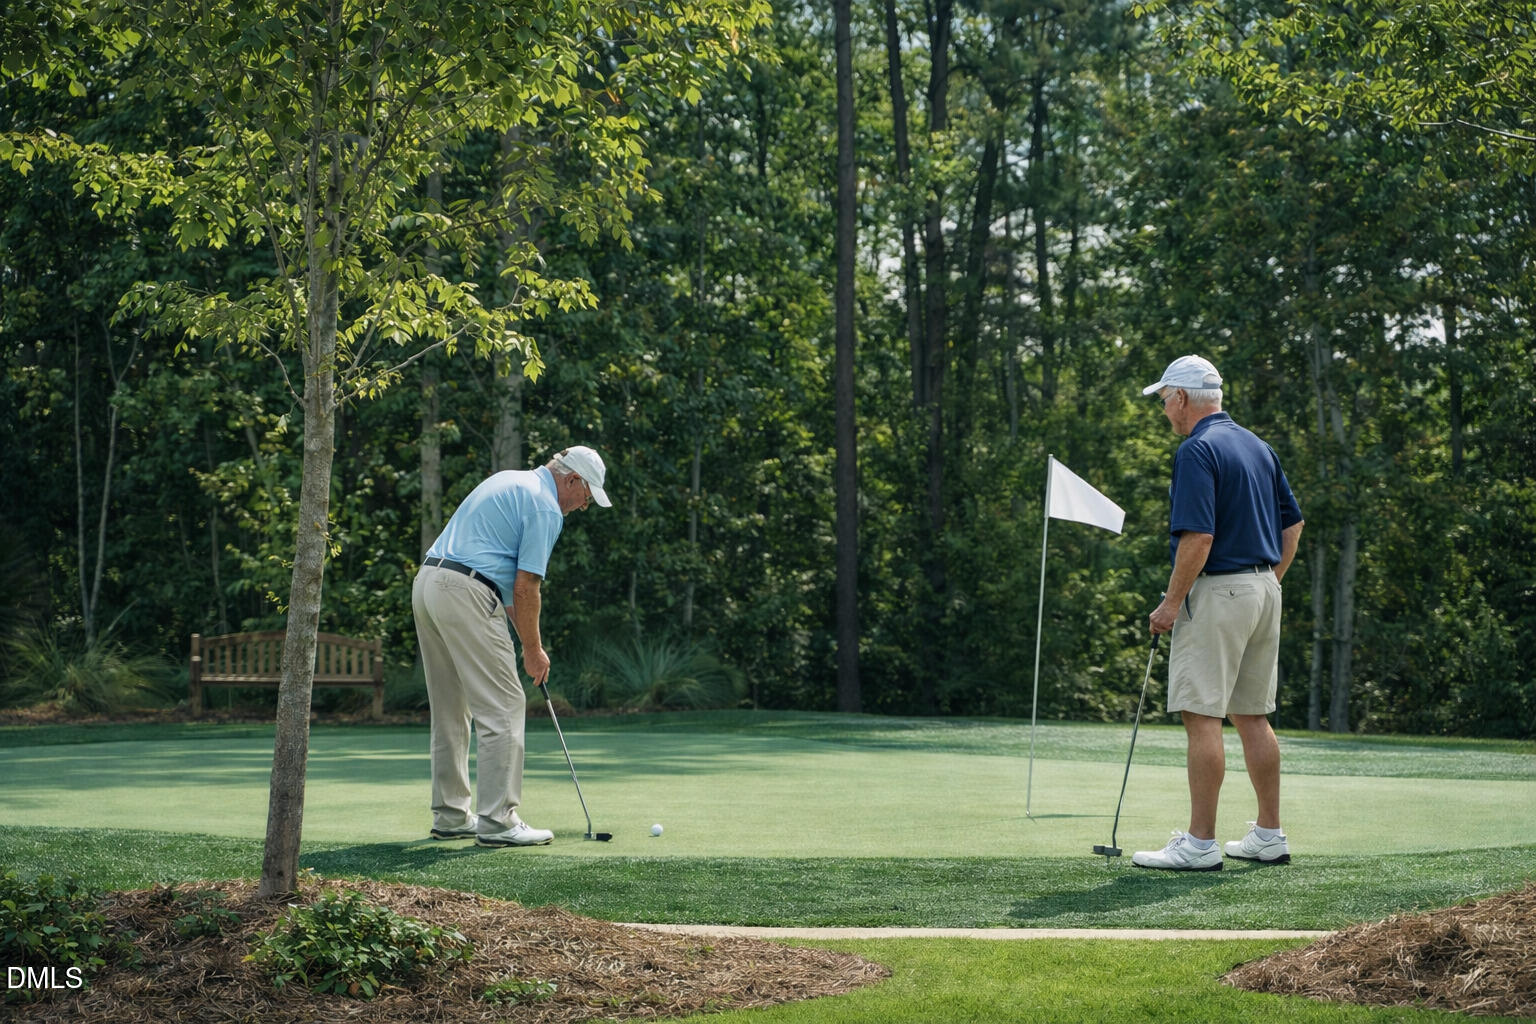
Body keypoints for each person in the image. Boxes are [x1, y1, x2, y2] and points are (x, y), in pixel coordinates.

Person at [1132, 356, 1305, 872]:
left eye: (1164, 401)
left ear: (1183, 398)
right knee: (1252, 713)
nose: (1165, 411)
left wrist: (1168, 604)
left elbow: (1199, 537)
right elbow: (1292, 527)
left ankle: (1200, 844)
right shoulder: (1257, 445)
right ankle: (1269, 835)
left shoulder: (1197, 450)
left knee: (1201, 714)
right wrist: (1266, 584)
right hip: (1262, 588)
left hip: (1218, 592)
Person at [412, 445, 612, 847]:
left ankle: (451, 816)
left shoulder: (510, 479)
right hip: (466, 590)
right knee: (504, 705)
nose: (581, 507)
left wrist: (526, 643)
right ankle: (499, 821)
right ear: (572, 479)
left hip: (430, 583)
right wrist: (534, 650)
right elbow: (527, 586)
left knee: (452, 708)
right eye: (586, 497)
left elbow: (507, 591)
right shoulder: (545, 507)